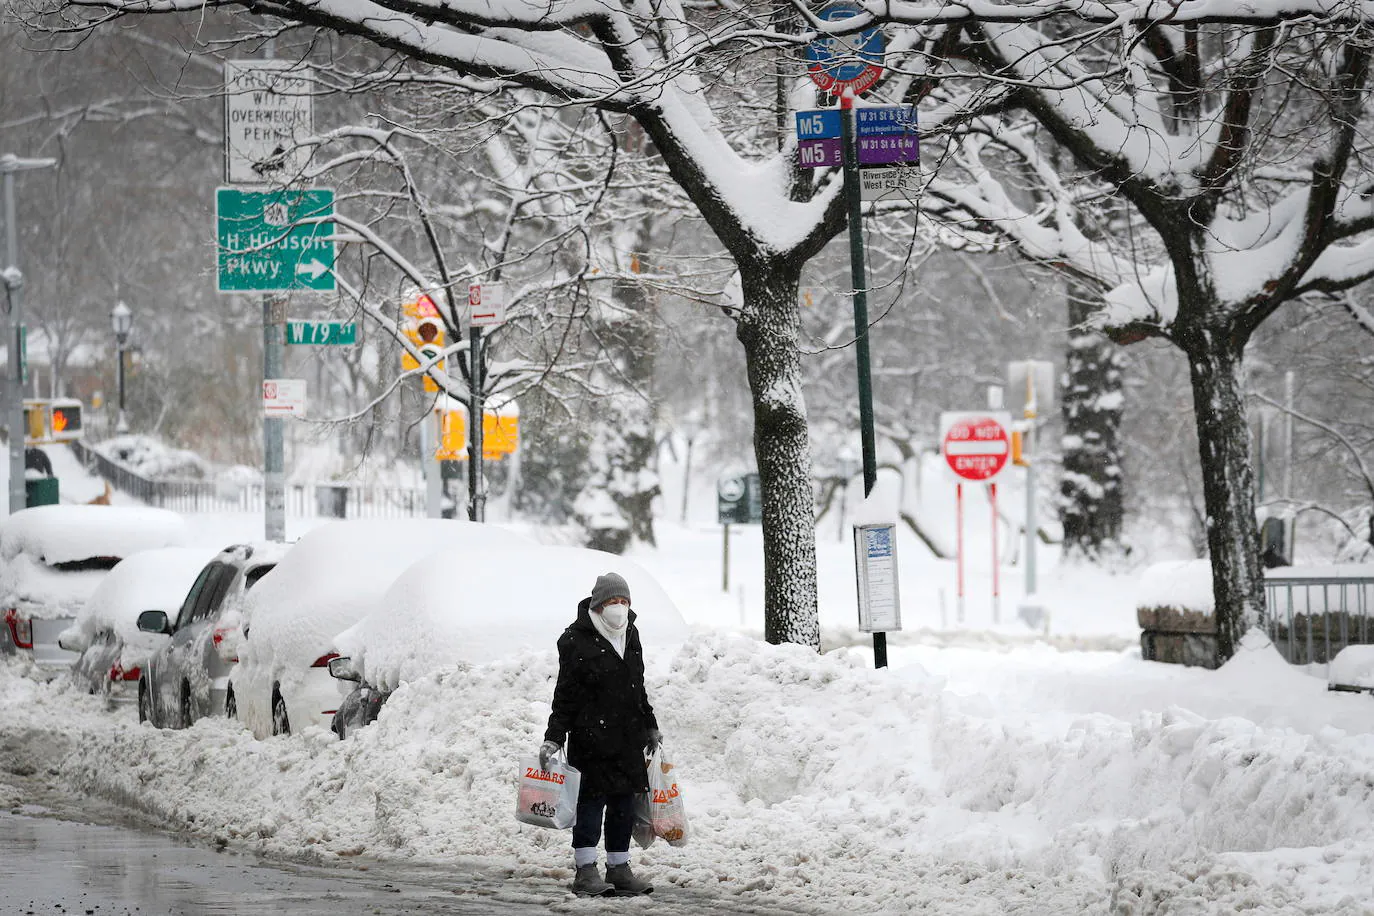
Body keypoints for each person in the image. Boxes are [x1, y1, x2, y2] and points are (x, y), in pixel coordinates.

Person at [539, 571, 662, 897]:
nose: (619, 608)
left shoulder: (630, 634)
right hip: (591, 739)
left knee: (623, 806)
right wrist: (554, 736)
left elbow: (638, 686)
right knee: (591, 807)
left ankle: (620, 869)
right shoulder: (576, 640)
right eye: (612, 601)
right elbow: (565, 695)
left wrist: (650, 724)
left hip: (627, 739)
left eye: (624, 601)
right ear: (598, 605)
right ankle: (586, 871)